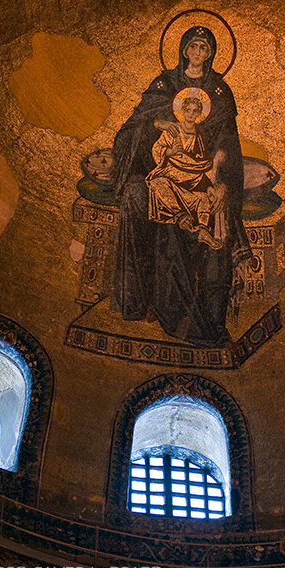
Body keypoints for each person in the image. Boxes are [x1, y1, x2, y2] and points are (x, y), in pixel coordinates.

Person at [111, 26, 251, 347]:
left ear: (212, 54)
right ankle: (140, 298)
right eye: (194, 46)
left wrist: (224, 186)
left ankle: (214, 319)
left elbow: (228, 145)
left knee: (220, 217)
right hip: (164, 174)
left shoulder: (219, 93)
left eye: (205, 48)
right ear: (184, 50)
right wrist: (158, 123)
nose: (199, 53)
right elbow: (133, 129)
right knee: (136, 194)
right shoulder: (164, 85)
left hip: (204, 179)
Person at [147, 96, 225, 250]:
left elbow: (202, 161)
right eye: (188, 110)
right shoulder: (174, 129)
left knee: (203, 197)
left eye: (195, 111)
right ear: (182, 111)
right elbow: (157, 148)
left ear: (199, 114)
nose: (191, 114)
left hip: (192, 175)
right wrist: (170, 151)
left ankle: (203, 231)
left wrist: (208, 184)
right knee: (158, 184)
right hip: (172, 171)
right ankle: (180, 215)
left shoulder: (199, 135)